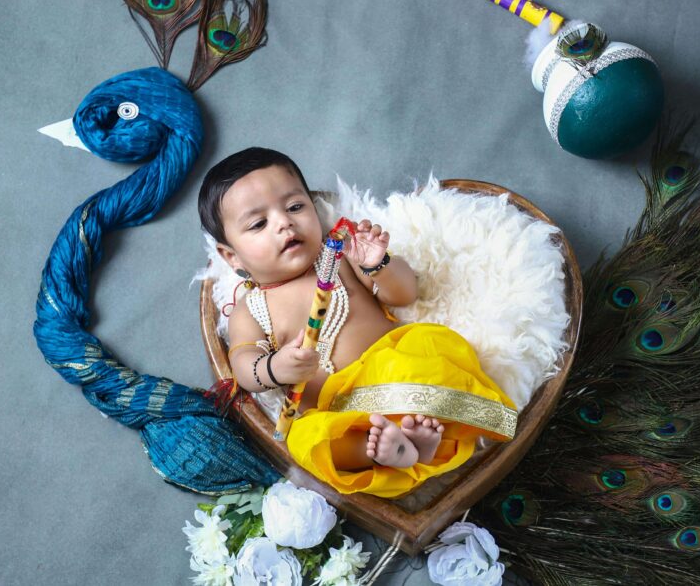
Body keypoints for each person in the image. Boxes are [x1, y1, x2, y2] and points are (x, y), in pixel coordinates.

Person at [198, 147, 516, 498]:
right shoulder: (251, 309)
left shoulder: (339, 257)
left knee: (431, 355)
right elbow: (243, 367)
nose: (284, 223)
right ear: (232, 257)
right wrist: (275, 367)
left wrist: (378, 264)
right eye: (259, 224)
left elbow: (404, 294)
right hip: (336, 410)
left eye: (295, 207)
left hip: (388, 369)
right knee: (307, 441)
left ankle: (420, 441)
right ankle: (394, 450)